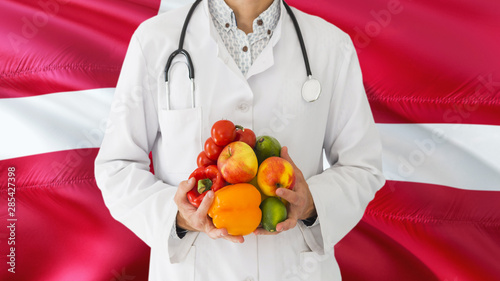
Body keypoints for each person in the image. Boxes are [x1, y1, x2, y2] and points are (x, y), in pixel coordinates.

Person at [95, 0, 385, 280]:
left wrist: (312, 205)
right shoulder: (154, 41)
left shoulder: (331, 47)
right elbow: (117, 166)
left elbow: (362, 165)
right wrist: (178, 217)